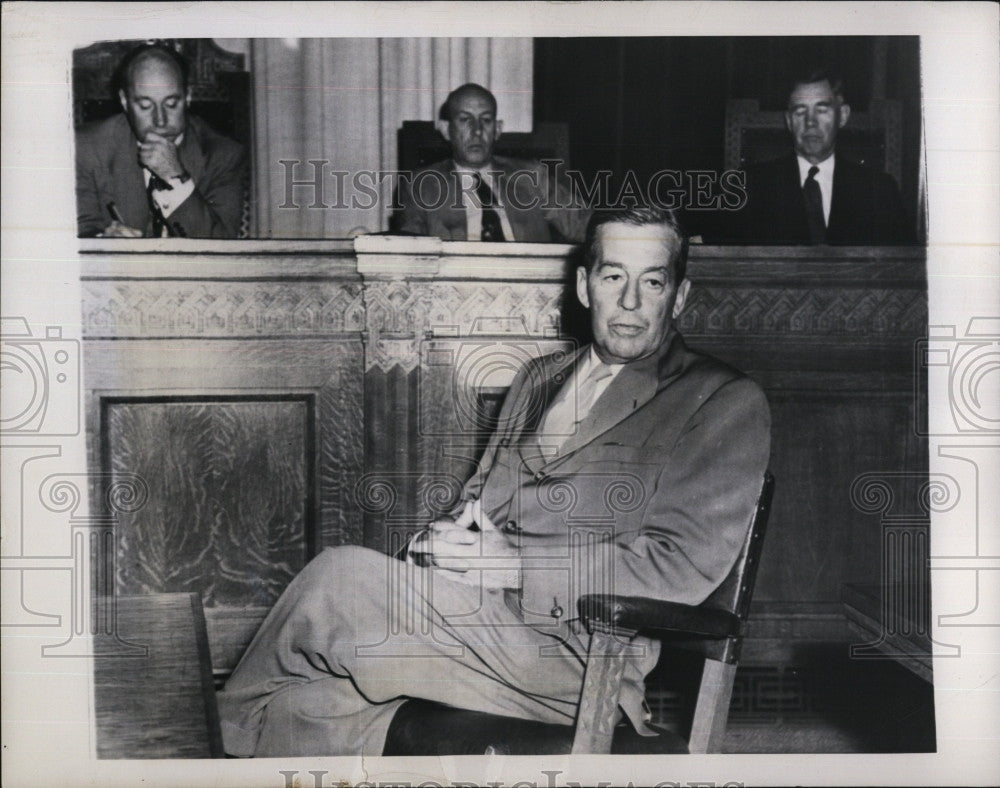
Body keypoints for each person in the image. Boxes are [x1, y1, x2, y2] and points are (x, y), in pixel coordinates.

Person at [217, 206, 771, 757]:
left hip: (581, 657)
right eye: (612, 276)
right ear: (584, 286)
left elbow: (677, 566)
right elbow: (475, 504)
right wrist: (440, 545)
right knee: (300, 709)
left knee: (337, 581)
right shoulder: (540, 378)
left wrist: (516, 565)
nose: (630, 301)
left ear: (679, 295)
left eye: (652, 281)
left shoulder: (719, 399)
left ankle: (205, 750)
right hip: (478, 623)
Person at [721, 70, 913, 245]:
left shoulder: (879, 190)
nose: (810, 122)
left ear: (843, 116)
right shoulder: (750, 187)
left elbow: (906, 269)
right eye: (800, 110)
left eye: (821, 110)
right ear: (788, 121)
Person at [75, 44, 247, 238]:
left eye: (171, 104)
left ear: (188, 96)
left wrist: (176, 178)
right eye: (145, 106)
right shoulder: (86, 147)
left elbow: (223, 248)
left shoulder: (223, 155)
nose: (160, 120)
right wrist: (104, 242)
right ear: (125, 101)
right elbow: (78, 233)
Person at [392, 83, 590, 242]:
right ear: (446, 129)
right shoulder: (419, 185)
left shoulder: (533, 176)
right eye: (465, 120)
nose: (477, 131)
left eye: (486, 120)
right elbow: (410, 253)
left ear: (497, 129)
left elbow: (586, 225)